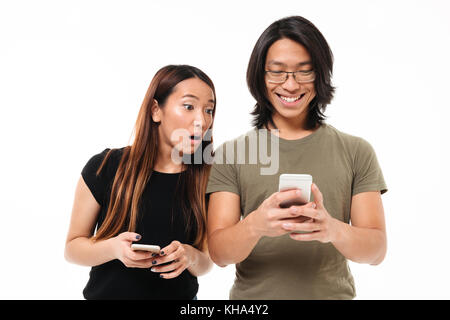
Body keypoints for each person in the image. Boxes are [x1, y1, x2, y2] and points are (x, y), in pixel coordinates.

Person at [206, 16, 388, 300]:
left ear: (321, 74)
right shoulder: (231, 154)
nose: (290, 85)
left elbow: (376, 251)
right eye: (277, 72)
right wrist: (256, 224)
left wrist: (332, 228)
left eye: (304, 71)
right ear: (259, 76)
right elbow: (218, 253)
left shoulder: (356, 151)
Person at [65, 65, 216, 299]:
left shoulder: (209, 178)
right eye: (189, 106)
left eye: (209, 110)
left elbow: (207, 260)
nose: (202, 121)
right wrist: (114, 249)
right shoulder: (105, 166)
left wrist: (190, 256)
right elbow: (72, 248)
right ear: (156, 110)